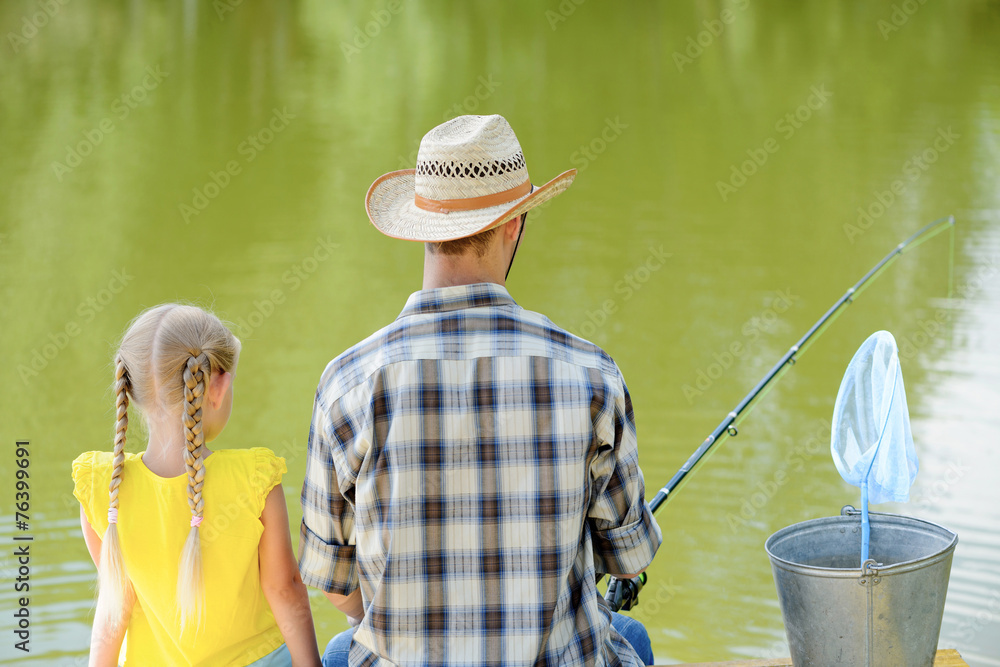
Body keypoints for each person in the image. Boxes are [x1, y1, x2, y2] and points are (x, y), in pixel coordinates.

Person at [299, 114, 662, 666]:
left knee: (342, 645)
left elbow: (333, 584)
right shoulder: (591, 375)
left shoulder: (347, 384)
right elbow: (628, 561)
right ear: (513, 225)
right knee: (629, 637)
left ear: (420, 227)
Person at [72, 304, 321, 667]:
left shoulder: (102, 489)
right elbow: (285, 590)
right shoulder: (254, 479)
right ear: (218, 387)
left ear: (130, 389)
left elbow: (115, 611)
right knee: (348, 646)